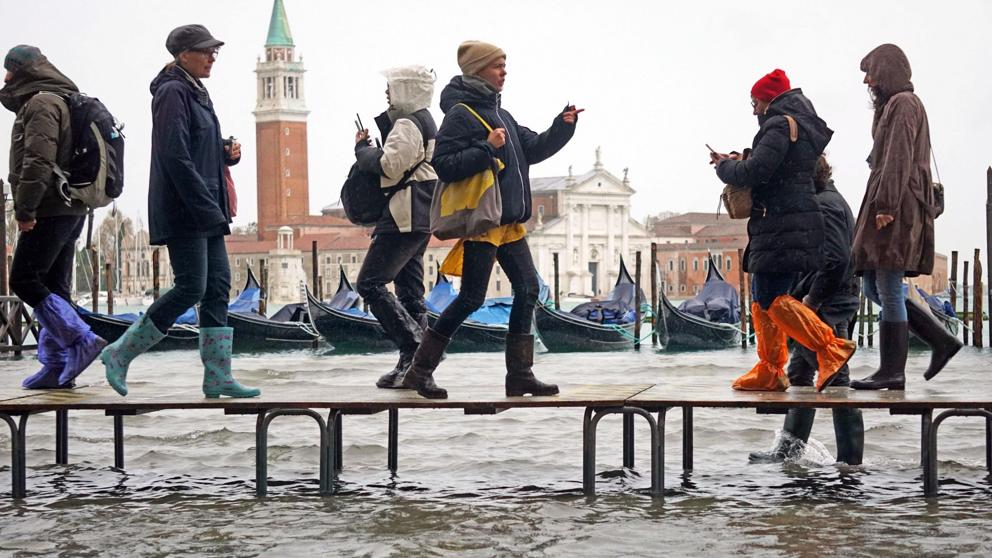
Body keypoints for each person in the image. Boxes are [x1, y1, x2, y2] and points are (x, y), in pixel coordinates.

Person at [400, 40, 582, 399]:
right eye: (498, 65)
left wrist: (562, 126)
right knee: (470, 298)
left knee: (528, 289)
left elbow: (535, 148)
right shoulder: (461, 115)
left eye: (505, 65)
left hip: (509, 223)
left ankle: (520, 376)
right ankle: (419, 372)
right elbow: (445, 165)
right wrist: (486, 148)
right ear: (478, 70)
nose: (504, 71)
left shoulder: (503, 115)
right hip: (484, 222)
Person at [101, 25, 259, 398]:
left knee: (218, 286)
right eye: (206, 51)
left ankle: (218, 376)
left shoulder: (195, 90)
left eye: (214, 52)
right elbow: (174, 153)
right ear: (183, 54)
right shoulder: (173, 91)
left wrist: (224, 152)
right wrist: (204, 205)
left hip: (207, 209)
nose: (212, 57)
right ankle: (120, 353)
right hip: (187, 209)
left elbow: (195, 144)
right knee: (191, 286)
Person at [712, 69, 855, 393]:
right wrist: (738, 159)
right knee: (763, 300)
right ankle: (771, 369)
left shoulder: (778, 123)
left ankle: (830, 348)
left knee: (774, 300)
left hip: (781, 224)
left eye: (754, 102)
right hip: (783, 224)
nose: (753, 110)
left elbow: (757, 171)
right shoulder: (796, 125)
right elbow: (774, 166)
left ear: (767, 99)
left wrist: (724, 167)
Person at [850, 44, 960, 390]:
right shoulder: (894, 106)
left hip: (895, 206)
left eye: (872, 73)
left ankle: (892, 371)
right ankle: (941, 340)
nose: (868, 80)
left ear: (887, 72)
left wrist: (886, 206)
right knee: (873, 284)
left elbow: (898, 156)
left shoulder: (904, 104)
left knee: (887, 286)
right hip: (892, 200)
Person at [1, 45, 106, 389]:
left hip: (50, 204)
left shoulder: (41, 103)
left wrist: (25, 209)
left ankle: (79, 340)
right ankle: (57, 367)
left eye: (9, 70)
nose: (5, 78)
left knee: (24, 280)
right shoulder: (60, 97)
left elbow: (37, 159)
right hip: (71, 205)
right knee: (55, 287)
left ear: (21, 72)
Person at [749, 156, 864, 465]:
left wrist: (811, 302)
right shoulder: (825, 200)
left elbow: (836, 260)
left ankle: (851, 462)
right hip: (820, 303)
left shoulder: (826, 205)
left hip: (829, 305)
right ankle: (788, 453)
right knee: (800, 372)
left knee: (837, 379)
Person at [353, 65, 438, 389]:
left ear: (406, 89)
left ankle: (413, 347)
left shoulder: (406, 123)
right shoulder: (427, 120)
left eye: (391, 87)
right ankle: (415, 368)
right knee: (410, 292)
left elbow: (390, 165)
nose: (387, 92)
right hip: (424, 211)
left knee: (369, 284)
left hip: (405, 212)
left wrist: (363, 150)